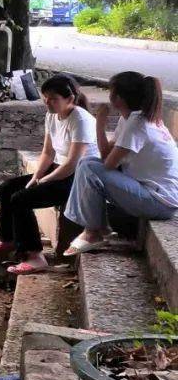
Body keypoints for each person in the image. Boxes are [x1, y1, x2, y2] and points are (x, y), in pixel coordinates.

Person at [0, 75, 98, 274]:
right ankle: (8, 239)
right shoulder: (52, 115)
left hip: (80, 177)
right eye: (45, 97)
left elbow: (72, 164)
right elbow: (48, 152)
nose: (47, 102)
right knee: (8, 187)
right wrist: (37, 176)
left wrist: (45, 180)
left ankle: (35, 256)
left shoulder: (80, 119)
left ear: (69, 99)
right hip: (59, 169)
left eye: (53, 98)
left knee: (21, 199)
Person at [64, 71, 178, 255]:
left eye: (111, 91)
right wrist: (100, 125)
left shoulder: (137, 125)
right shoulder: (131, 119)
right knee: (87, 162)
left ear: (118, 98)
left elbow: (107, 165)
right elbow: (105, 156)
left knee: (88, 166)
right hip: (151, 193)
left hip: (160, 202)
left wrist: (100, 125)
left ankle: (92, 232)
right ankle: (97, 229)